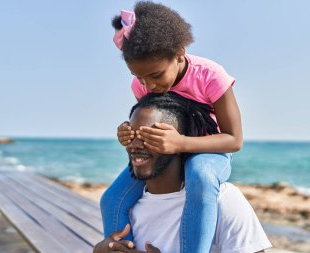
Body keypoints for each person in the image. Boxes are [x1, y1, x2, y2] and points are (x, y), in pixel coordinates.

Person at [101, 2, 243, 253]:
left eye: (155, 75)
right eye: (140, 77)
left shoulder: (210, 76)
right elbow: (150, 119)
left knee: (200, 177)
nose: (148, 85)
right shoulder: (141, 85)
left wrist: (181, 143)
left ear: (179, 52)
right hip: (168, 152)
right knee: (112, 199)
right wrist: (131, 133)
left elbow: (234, 139)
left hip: (209, 150)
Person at [94, 92, 271, 253]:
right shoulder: (125, 205)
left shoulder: (222, 199)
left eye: (149, 137)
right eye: (131, 135)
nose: (134, 145)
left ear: (177, 142)